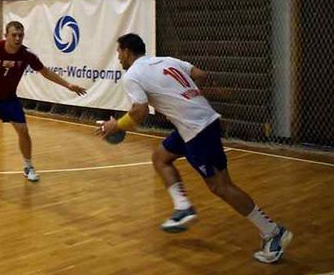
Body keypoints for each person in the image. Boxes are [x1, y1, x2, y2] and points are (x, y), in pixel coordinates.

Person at [97, 33, 293, 264]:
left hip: (198, 128)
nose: (118, 56)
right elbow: (201, 75)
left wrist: (115, 125)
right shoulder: (167, 60)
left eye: (119, 52)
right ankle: (183, 207)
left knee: (221, 186)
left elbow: (138, 113)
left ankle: (272, 232)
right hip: (195, 123)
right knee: (160, 157)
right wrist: (182, 99)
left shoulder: (132, 76)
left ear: (127, 52)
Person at [0, 21, 87, 187]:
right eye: (14, 35)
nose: (17, 38)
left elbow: (45, 72)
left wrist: (68, 85)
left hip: (8, 98)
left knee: (23, 130)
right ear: (6, 36)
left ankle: (28, 166)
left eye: (20, 35)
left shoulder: (26, 54)